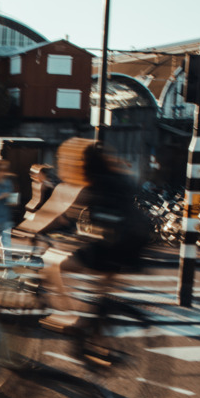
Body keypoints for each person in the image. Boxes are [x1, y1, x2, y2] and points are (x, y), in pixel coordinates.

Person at [41, 139, 151, 335]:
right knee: (101, 293)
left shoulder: (92, 185)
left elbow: (62, 218)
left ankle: (67, 313)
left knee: (52, 262)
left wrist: (34, 230)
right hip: (134, 244)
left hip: (110, 246)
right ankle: (95, 324)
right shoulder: (120, 179)